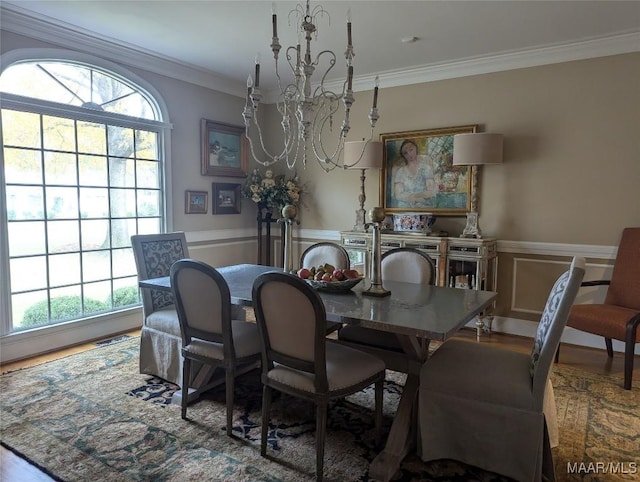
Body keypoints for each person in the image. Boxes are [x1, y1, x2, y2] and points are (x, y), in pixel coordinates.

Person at [391, 139, 436, 207]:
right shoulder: (401, 172)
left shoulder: (426, 168)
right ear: (403, 156)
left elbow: (431, 191)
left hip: (423, 204)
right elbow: (398, 195)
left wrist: (416, 196)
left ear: (416, 149)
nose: (409, 154)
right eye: (405, 153)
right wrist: (413, 198)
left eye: (411, 149)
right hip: (405, 205)